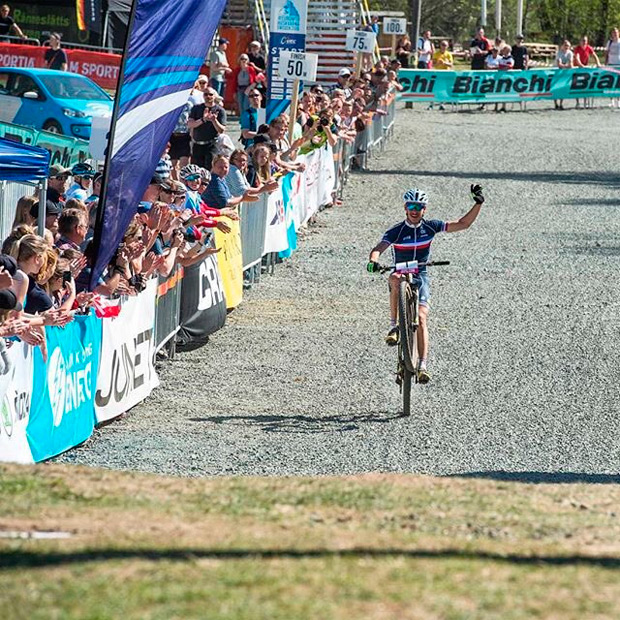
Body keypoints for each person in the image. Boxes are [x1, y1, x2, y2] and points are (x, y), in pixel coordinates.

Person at [366, 185, 485, 383]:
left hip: (420, 275)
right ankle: (393, 327)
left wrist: (478, 203)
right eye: (411, 205)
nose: (414, 210)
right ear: (405, 207)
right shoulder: (396, 231)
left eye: (419, 206)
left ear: (424, 210)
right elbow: (378, 249)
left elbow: (463, 224)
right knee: (395, 278)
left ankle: (422, 365)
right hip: (400, 273)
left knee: (421, 318)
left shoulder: (430, 226)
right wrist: (374, 261)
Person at [188, 87, 227, 171]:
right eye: (206, 94)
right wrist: (203, 120)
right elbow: (190, 124)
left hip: (211, 145)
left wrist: (214, 120)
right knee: (196, 171)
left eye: (211, 94)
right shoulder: (196, 108)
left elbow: (221, 130)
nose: (208, 96)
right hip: (197, 145)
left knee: (211, 170)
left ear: (214, 96)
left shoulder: (220, 110)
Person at [554, 40, 574, 110]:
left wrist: (565, 66)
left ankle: (561, 103)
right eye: (565, 45)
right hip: (557, 72)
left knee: (563, 88)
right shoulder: (559, 53)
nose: (566, 47)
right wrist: (566, 66)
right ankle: (556, 103)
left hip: (565, 73)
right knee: (555, 88)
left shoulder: (570, 53)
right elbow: (559, 64)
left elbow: (571, 64)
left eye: (568, 46)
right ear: (562, 46)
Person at [605, 28, 620, 107]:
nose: (615, 34)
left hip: (619, 65)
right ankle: (612, 101)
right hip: (611, 64)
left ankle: (619, 100)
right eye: (613, 32)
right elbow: (606, 53)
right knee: (610, 83)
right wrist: (605, 63)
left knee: (619, 83)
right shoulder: (609, 42)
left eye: (616, 32)